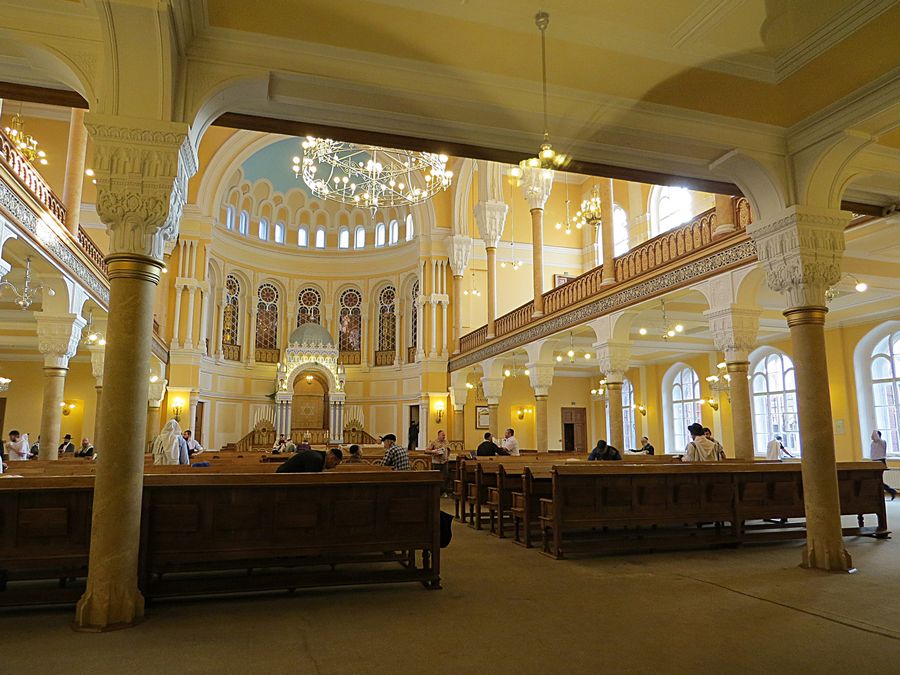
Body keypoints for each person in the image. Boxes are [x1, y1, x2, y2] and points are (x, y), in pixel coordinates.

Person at [871, 430, 896, 500]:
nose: (872, 436)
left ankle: (891, 491)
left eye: (874, 435)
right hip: (874, 461)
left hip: (880, 461)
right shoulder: (872, 443)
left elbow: (876, 438)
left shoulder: (882, 442)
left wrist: (874, 431)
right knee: (876, 480)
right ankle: (889, 491)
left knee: (878, 479)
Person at [425, 429, 452, 496]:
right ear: (439, 435)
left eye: (444, 435)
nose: (444, 436)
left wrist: (447, 456)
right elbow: (426, 451)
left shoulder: (446, 442)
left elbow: (449, 450)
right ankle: (436, 492)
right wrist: (433, 451)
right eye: (442, 435)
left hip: (444, 462)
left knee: (445, 477)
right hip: (436, 462)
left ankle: (444, 491)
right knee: (437, 477)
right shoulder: (434, 442)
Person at [276, 446, 342, 473]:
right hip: (283, 478)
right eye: (335, 464)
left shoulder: (319, 456)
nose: (334, 467)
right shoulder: (317, 460)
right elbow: (310, 480)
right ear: (332, 458)